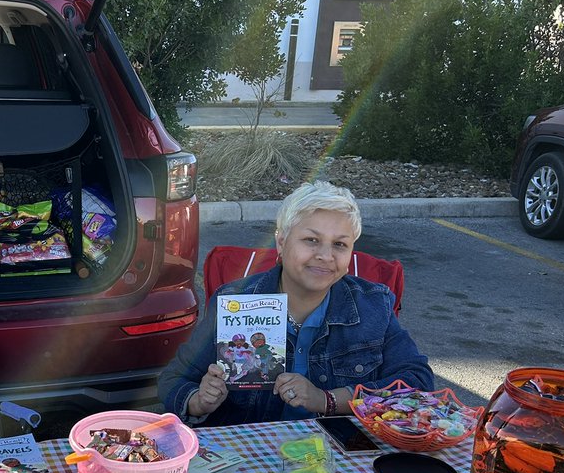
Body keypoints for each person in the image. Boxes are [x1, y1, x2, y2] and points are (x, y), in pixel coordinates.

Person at [159, 181, 435, 426]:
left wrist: (327, 400)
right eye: (311, 240)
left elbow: (417, 382)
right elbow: (174, 380)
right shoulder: (236, 301)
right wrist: (199, 401)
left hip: (339, 453)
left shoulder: (373, 305)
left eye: (339, 244)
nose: (325, 255)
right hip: (252, 454)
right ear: (281, 243)